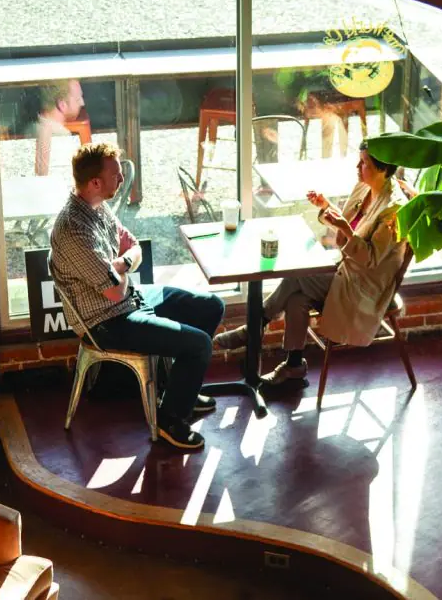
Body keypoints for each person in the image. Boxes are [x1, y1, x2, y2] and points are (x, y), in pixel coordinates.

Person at [49, 142, 224, 450]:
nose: (121, 179)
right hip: (107, 320)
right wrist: (125, 263)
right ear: (95, 182)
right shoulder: (74, 230)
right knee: (198, 345)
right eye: (116, 174)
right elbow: (114, 291)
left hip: (130, 298)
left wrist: (121, 263)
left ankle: (179, 391)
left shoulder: (96, 206)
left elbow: (134, 247)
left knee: (211, 307)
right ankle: (171, 420)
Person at [214, 143, 409, 384]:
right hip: (345, 271)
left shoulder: (393, 210)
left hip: (364, 286)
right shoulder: (364, 188)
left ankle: (255, 326)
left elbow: (370, 258)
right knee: (297, 299)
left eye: (364, 163)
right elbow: (347, 227)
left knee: (299, 275)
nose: (357, 167)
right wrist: (326, 207)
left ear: (382, 168)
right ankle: (293, 366)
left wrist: (346, 230)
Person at [35, 79, 85, 176]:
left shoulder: (33, 128)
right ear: (62, 104)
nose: (82, 103)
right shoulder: (60, 137)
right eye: (78, 99)